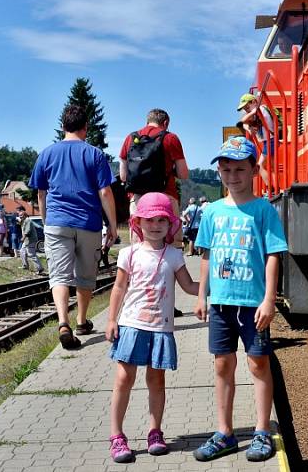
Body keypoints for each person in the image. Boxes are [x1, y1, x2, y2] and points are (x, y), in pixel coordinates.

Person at [192, 136, 288, 463]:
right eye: (226, 169)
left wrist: (269, 299)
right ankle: (225, 433)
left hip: (253, 304)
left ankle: (262, 430)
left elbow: (274, 255)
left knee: (258, 364)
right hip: (221, 303)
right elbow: (206, 255)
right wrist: (202, 294)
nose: (232, 176)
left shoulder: (264, 211)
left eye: (239, 169)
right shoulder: (212, 212)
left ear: (253, 171)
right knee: (222, 364)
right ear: (219, 172)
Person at [105, 192, 199, 463]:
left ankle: (155, 431)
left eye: (162, 220)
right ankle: (116, 435)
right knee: (124, 378)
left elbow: (189, 286)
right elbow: (119, 288)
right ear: (138, 222)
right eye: (149, 220)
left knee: (157, 380)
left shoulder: (174, 256)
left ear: (171, 225)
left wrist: (211, 288)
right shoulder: (128, 254)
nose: (155, 225)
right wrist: (111, 320)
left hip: (161, 327)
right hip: (131, 325)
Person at [29, 103, 118, 349]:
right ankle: (80, 320)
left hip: (57, 222)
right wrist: (111, 225)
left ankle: (63, 322)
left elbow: (41, 193)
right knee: (85, 274)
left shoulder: (47, 153)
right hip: (88, 223)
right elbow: (105, 192)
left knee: (59, 274)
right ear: (86, 128)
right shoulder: (94, 154)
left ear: (62, 126)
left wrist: (47, 221)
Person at [119, 108, 189, 247]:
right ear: (166, 122)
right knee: (171, 246)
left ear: (147, 121)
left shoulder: (130, 138)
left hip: (138, 198)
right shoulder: (170, 138)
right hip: (165, 196)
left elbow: (123, 176)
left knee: (139, 245)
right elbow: (183, 174)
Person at [237, 94, 276, 188]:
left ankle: (271, 189)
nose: (246, 110)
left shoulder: (260, 109)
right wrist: (249, 128)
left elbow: (243, 121)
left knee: (260, 165)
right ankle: (275, 187)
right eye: (244, 108)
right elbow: (243, 124)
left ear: (254, 102)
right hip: (268, 141)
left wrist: (252, 113)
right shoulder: (256, 112)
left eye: (247, 107)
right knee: (272, 167)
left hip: (271, 140)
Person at [16, 206, 44, 275]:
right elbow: (20, 224)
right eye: (19, 216)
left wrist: (23, 238)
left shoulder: (28, 220)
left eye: (21, 216)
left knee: (31, 254)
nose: (20, 217)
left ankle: (39, 268)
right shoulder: (23, 221)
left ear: (25, 215)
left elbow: (27, 231)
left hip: (30, 240)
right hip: (27, 240)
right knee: (22, 251)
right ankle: (25, 266)